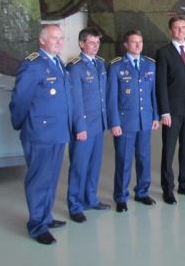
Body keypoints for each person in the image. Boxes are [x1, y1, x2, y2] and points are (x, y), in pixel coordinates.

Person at [9, 24, 86, 245]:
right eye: (54, 38)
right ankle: (37, 226)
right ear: (42, 40)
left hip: (58, 131)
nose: (59, 42)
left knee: (51, 178)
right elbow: (20, 100)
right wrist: (21, 125)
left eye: (61, 38)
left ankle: (46, 216)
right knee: (39, 180)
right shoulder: (33, 65)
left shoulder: (58, 63)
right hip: (40, 133)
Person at [107, 30, 159, 212]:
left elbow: (153, 93)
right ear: (126, 45)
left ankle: (142, 192)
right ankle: (121, 196)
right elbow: (111, 98)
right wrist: (114, 122)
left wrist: (155, 116)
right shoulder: (116, 66)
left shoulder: (150, 64)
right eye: (134, 42)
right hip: (125, 122)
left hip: (145, 120)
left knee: (144, 158)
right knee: (124, 160)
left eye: (140, 42)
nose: (138, 45)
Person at [156, 16, 185, 205]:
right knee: (169, 150)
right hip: (172, 111)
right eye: (177, 28)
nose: (181, 30)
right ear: (170, 30)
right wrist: (164, 111)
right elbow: (161, 84)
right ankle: (168, 189)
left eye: (183, 27)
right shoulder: (163, 53)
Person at [66, 27, 110, 224]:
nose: (95, 46)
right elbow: (75, 101)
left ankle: (90, 199)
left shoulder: (100, 64)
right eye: (91, 43)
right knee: (79, 166)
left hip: (98, 125)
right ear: (81, 44)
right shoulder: (75, 67)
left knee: (94, 165)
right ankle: (75, 205)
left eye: (98, 43)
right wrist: (80, 127)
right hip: (83, 126)